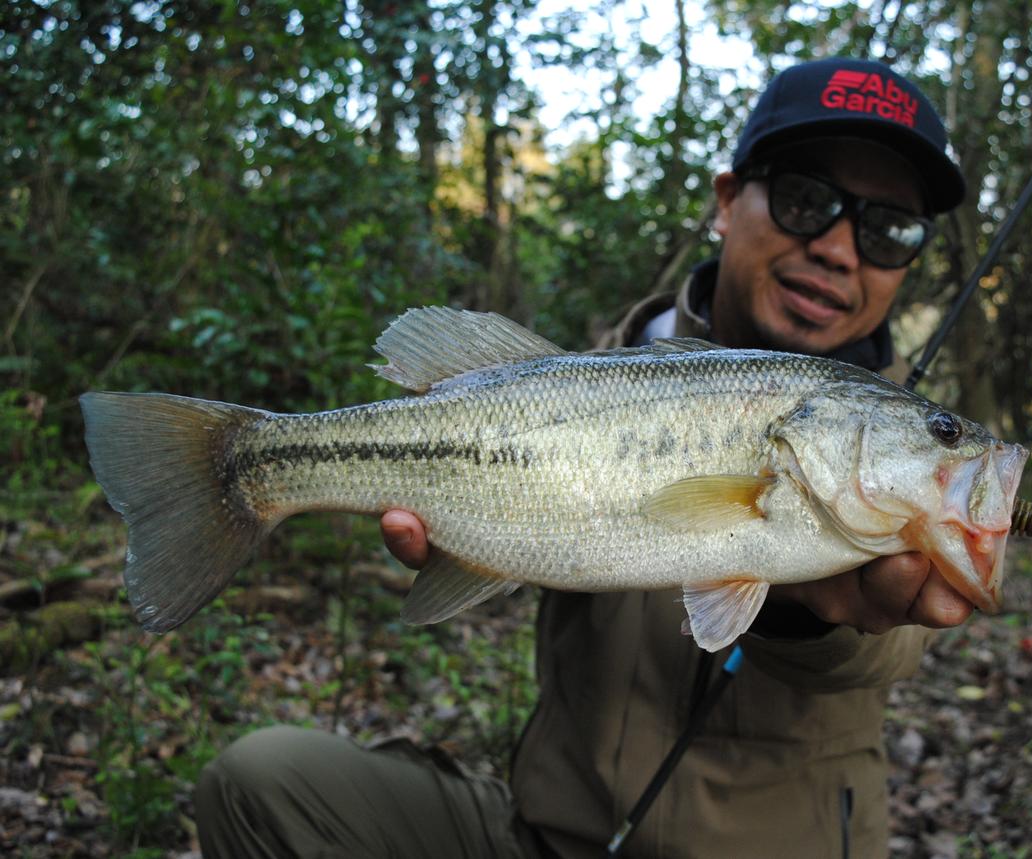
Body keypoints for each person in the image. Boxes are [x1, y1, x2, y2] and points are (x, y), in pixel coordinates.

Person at [196, 57, 971, 859]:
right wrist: (463, 530)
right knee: (262, 783)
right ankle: (242, 461)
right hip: (549, 839)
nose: (842, 248)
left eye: (889, 230)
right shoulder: (574, 377)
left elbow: (893, 644)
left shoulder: (899, 442)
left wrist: (808, 604)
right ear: (727, 200)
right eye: (805, 200)